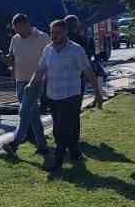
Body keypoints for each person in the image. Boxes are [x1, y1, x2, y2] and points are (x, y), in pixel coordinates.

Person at [31, 19, 104, 173]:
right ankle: (76, 153)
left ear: (65, 32)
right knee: (63, 128)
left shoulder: (76, 50)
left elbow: (88, 71)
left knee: (60, 130)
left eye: (57, 33)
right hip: (53, 95)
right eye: (52, 33)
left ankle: (58, 162)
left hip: (71, 96)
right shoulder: (48, 49)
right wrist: (31, 84)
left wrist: (97, 92)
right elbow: (40, 69)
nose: (54, 36)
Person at [3, 13, 50, 156]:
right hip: (20, 80)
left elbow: (51, 59)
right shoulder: (15, 39)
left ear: (26, 24)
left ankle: (15, 144)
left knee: (24, 112)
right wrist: (7, 61)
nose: (17, 32)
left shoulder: (43, 37)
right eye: (15, 29)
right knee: (33, 114)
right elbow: (12, 59)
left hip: (36, 81)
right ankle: (42, 145)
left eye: (19, 28)